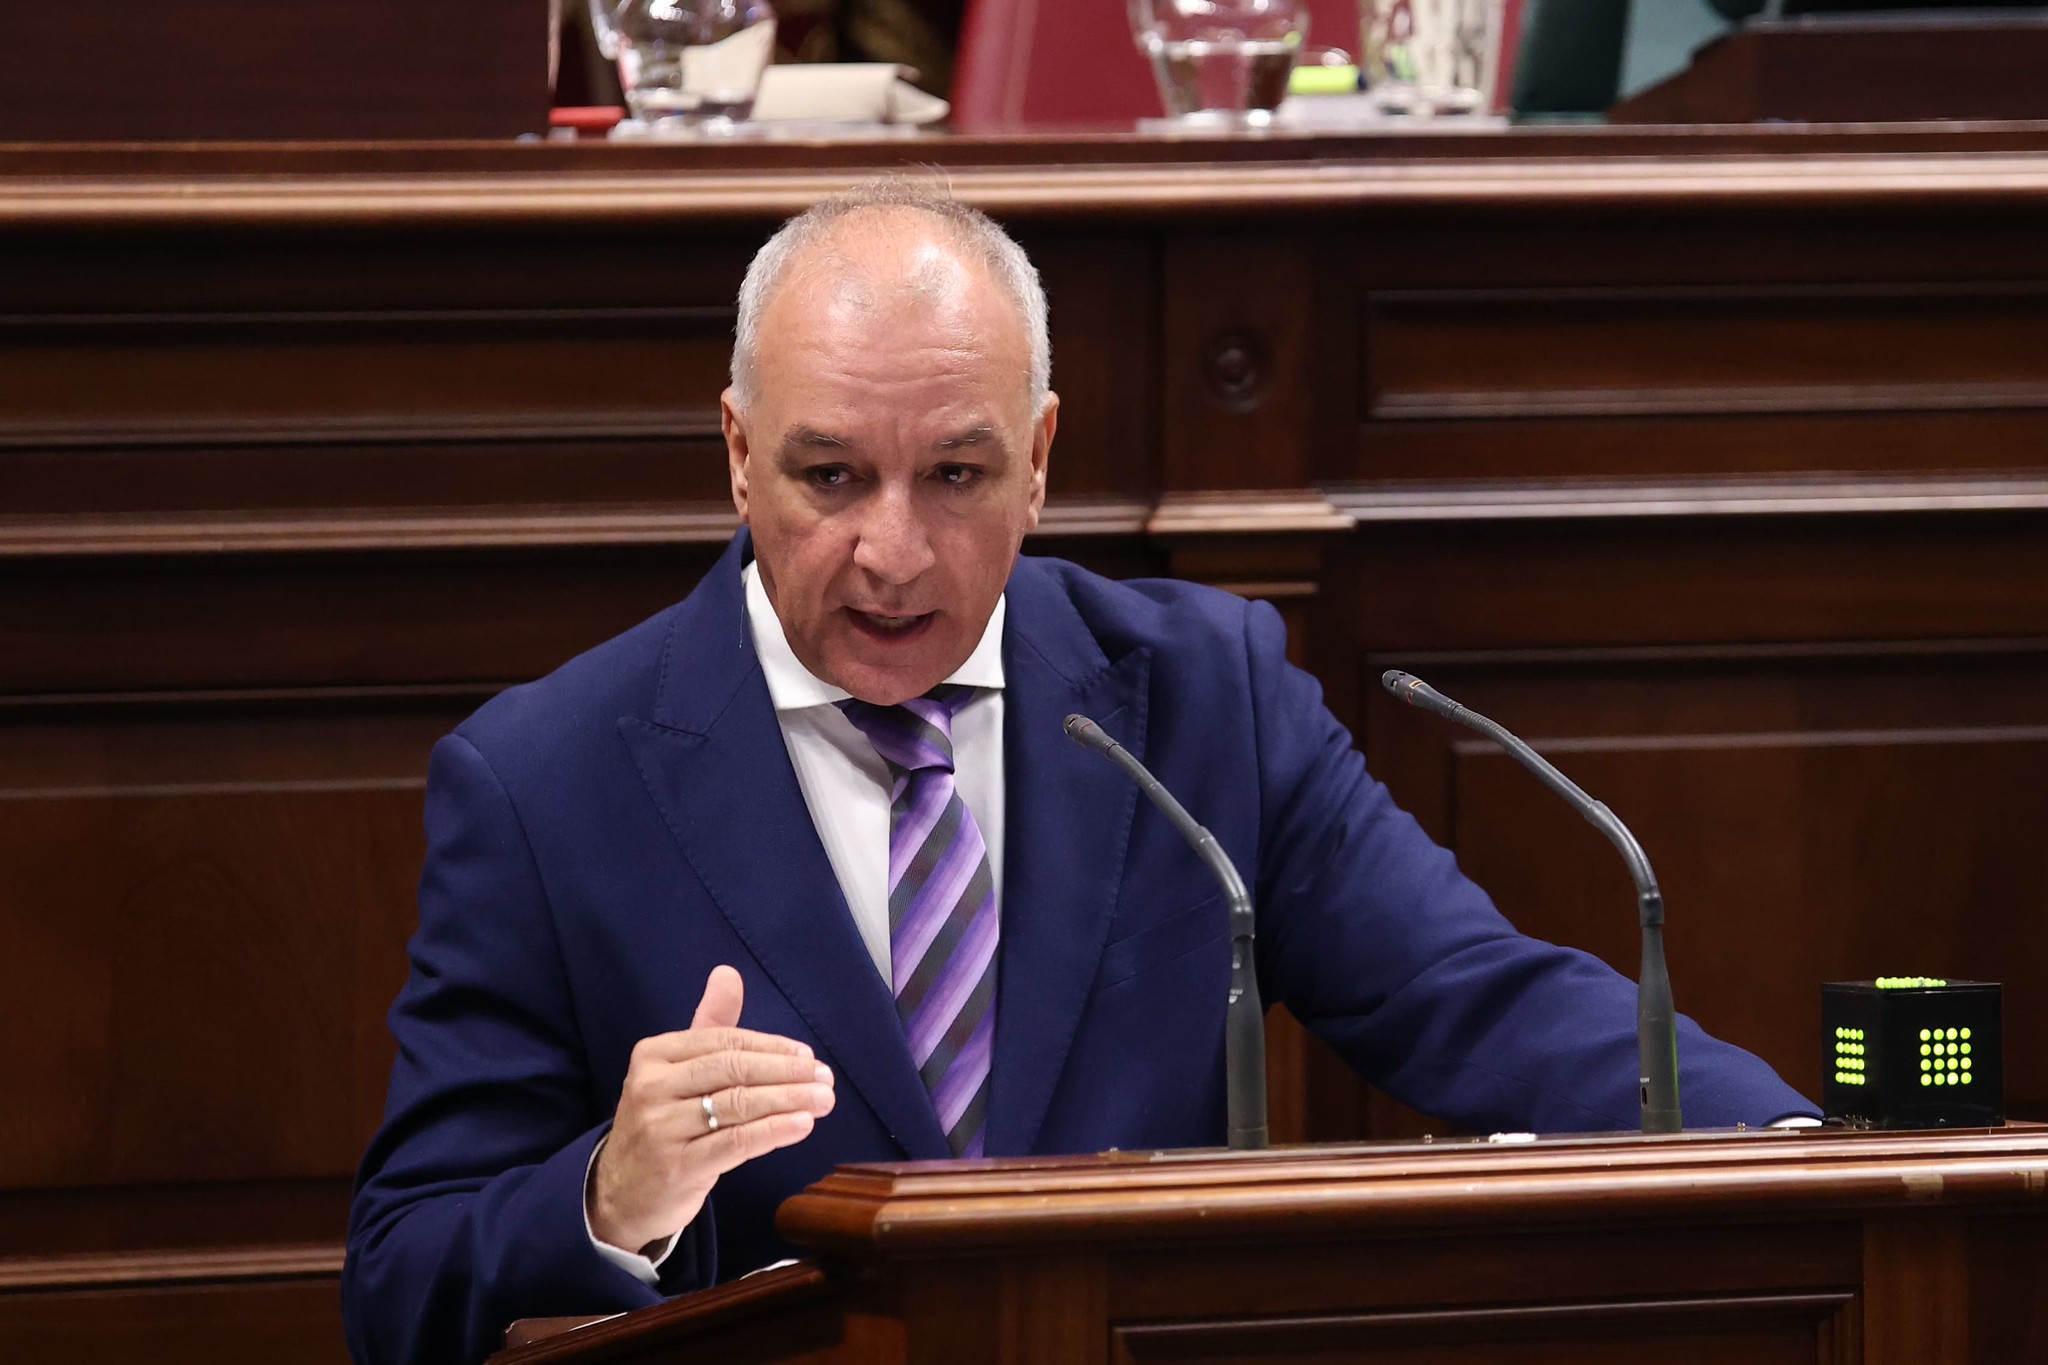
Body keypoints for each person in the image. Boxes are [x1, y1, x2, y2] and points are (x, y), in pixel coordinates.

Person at [342, 180, 1814, 1365]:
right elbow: (402, 1283)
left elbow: (1475, 998)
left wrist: (1802, 1156)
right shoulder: (546, 782)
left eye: (960, 475)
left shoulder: (1201, 700)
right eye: (832, 474)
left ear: (1041, 458)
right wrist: (610, 1197)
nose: (896, 552)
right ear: (739, 457)